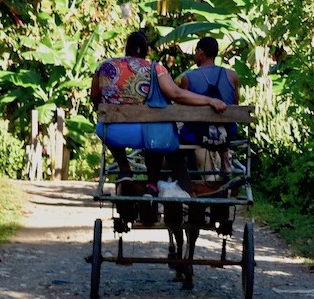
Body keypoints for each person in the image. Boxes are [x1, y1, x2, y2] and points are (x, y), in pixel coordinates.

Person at [91, 31, 226, 197]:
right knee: (157, 132)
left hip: (110, 132)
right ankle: (152, 184)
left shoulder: (104, 66)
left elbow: (95, 97)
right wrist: (209, 100)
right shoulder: (155, 69)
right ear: (147, 50)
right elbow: (176, 94)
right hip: (145, 134)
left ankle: (124, 168)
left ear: (126, 48)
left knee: (107, 125)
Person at [177, 36, 240, 174]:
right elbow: (235, 105)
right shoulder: (232, 76)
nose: (195, 55)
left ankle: (179, 173)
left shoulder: (187, 78)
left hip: (196, 134)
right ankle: (225, 158)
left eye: (195, 51)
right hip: (227, 133)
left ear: (200, 52)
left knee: (179, 131)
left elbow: (181, 110)